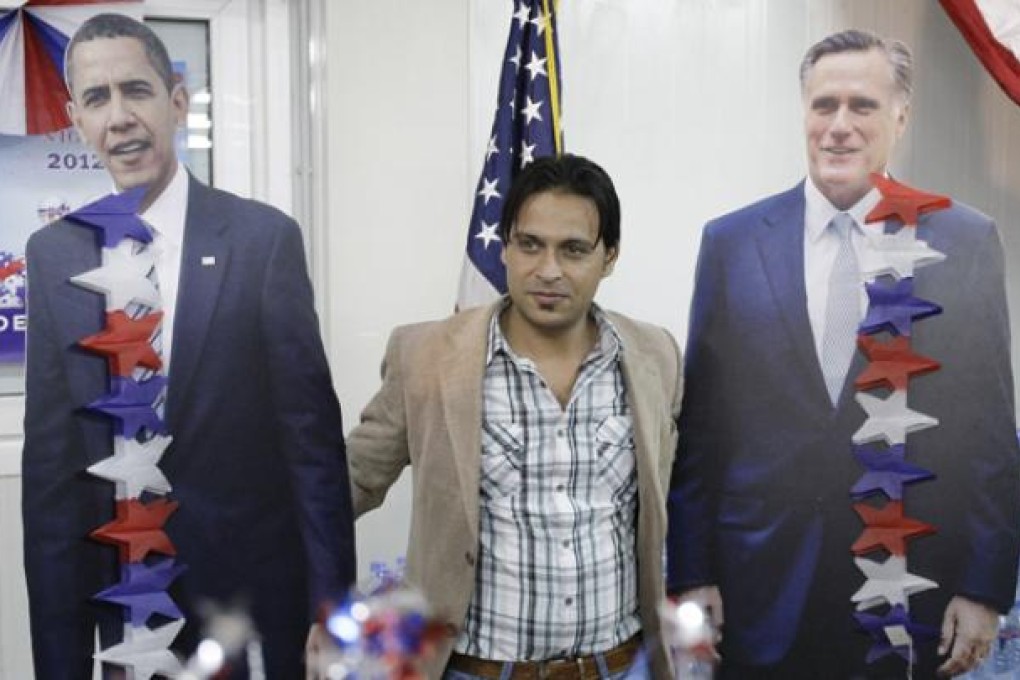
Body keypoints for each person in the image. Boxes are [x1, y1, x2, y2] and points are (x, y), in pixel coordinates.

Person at [670, 29, 1020, 679]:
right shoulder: (732, 242)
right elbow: (701, 434)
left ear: (900, 118)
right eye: (823, 105)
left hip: (906, 594)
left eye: (862, 106)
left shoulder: (964, 241)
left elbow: (991, 434)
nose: (839, 126)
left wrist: (984, 590)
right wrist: (691, 577)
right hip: (755, 589)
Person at [22, 13, 355, 678]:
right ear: (77, 121)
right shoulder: (55, 256)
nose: (119, 117)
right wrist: (59, 662)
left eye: (135, 91)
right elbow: (54, 483)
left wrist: (332, 614)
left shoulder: (262, 242)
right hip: (131, 620)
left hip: (256, 614)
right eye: (97, 99)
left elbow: (311, 446)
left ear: (176, 101)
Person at [347, 154, 682, 679]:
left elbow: (688, 496)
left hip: (619, 667)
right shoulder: (427, 358)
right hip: (475, 669)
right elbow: (346, 483)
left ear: (609, 256)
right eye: (530, 245)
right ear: (503, 246)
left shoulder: (654, 357)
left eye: (573, 250)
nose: (548, 270)